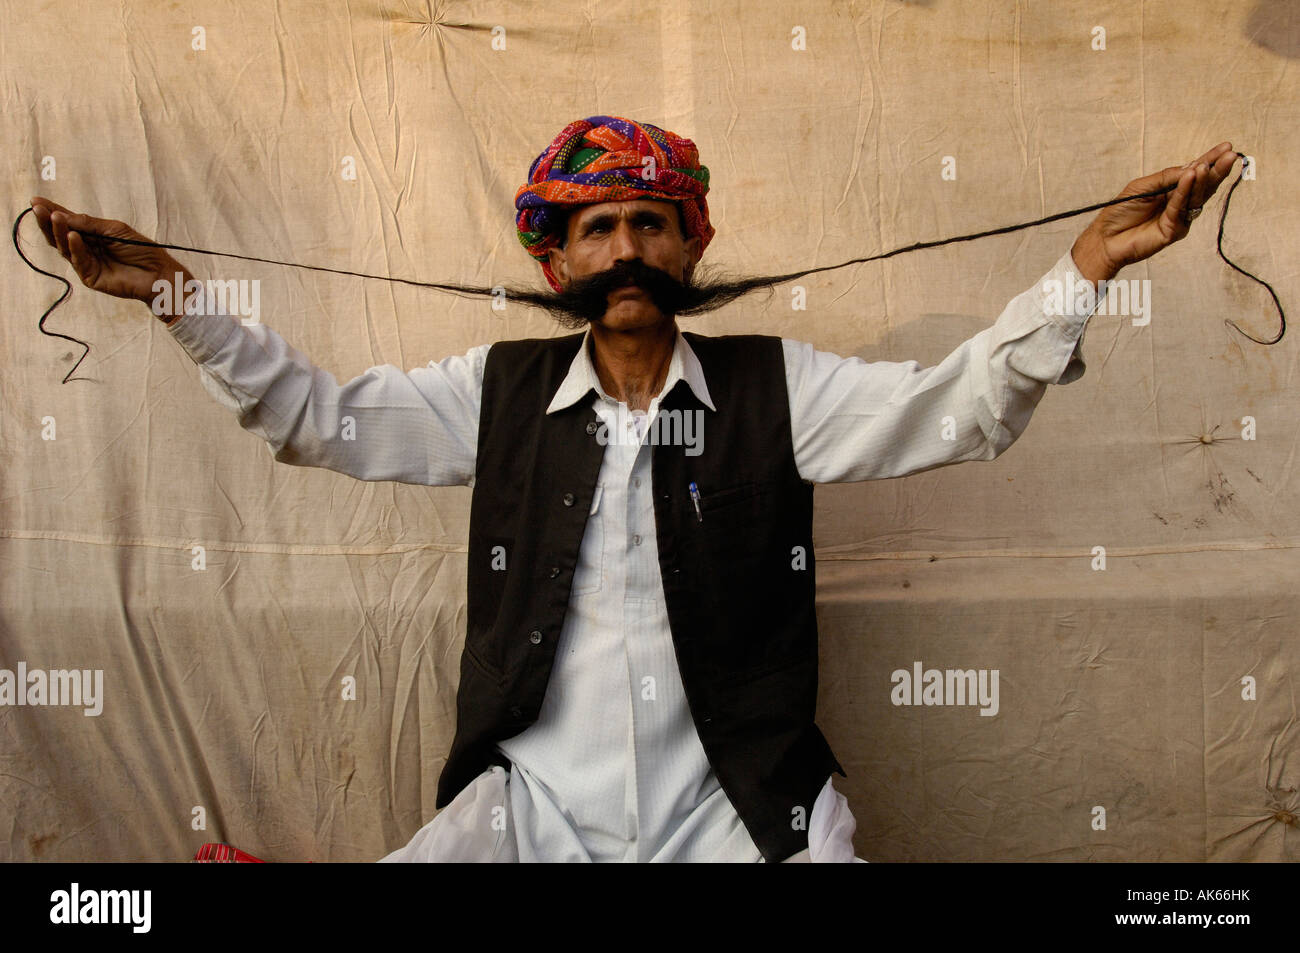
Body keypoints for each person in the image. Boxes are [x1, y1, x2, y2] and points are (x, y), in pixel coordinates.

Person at [28, 116, 1238, 863]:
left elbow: (961, 405)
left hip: (738, 806)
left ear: (691, 246)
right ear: (551, 260)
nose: (624, 249)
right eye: (594, 225)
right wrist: (179, 294)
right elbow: (317, 418)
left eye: (649, 222)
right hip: (537, 805)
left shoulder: (779, 388)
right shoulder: (492, 394)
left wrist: (1081, 271)